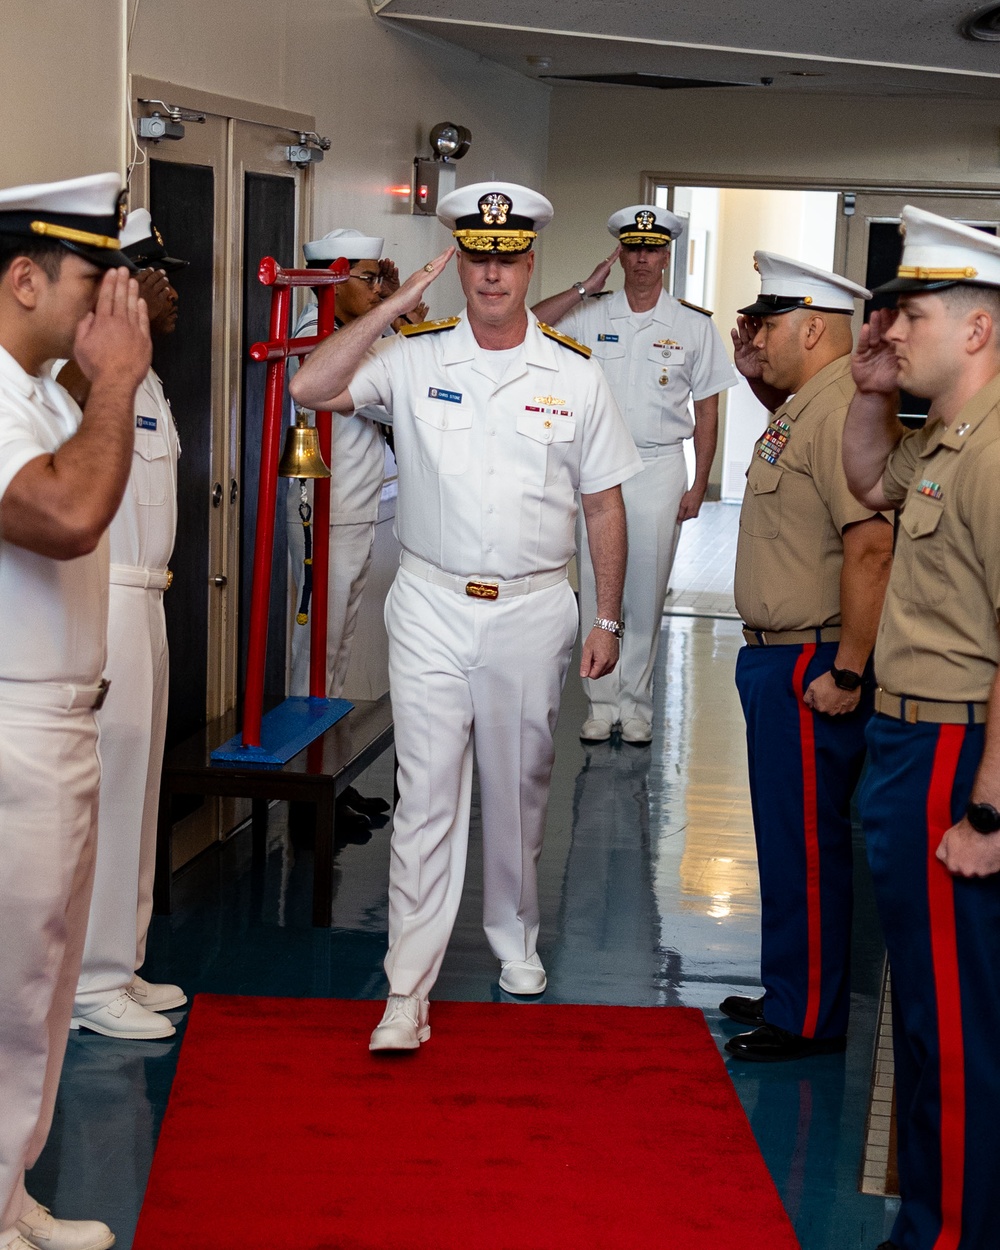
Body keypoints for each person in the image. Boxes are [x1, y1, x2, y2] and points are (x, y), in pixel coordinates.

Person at [291, 181, 641, 1051]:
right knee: (426, 792)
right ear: (462, 269)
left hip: (531, 607)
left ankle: (514, 939)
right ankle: (406, 992)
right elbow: (310, 384)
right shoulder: (415, 357)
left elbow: (603, 506)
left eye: (507, 259)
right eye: (477, 260)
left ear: (530, 264)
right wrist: (392, 308)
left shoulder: (572, 372)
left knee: (519, 787)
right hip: (431, 604)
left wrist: (608, 620)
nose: (492, 275)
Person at [841, 206, 1000, 1250]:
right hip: (908, 745)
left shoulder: (992, 452)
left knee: (954, 1021)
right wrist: (868, 389)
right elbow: (866, 481)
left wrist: (989, 806)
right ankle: (937, 1218)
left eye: (913, 313)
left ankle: (951, 1234)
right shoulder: (944, 434)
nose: (893, 330)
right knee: (926, 1009)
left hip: (958, 754)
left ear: (977, 328)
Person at [0, 174, 150, 1250]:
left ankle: (7, 1191)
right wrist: (119, 385)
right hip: (8, 723)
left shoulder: (47, 393)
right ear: (22, 278)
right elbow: (64, 516)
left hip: (57, 717)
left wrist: (97, 388)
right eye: (93, 283)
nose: (112, 313)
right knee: (10, 985)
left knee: (41, 986)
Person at [720, 252, 893, 1063]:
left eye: (770, 325)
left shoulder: (839, 410)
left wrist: (849, 669)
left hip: (811, 661)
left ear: (813, 327)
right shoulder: (807, 403)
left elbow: (871, 548)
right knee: (785, 840)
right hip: (779, 659)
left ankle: (810, 1016)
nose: (759, 336)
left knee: (809, 847)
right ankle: (792, 986)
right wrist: (754, 373)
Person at [53, 209, 188, 1041]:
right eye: (147, 271)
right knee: (107, 786)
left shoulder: (148, 378)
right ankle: (89, 981)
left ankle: (121, 961)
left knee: (138, 789)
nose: (167, 287)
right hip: (104, 593)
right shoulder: (76, 376)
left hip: (150, 597)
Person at [532, 204, 736, 744]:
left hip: (659, 463)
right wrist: (582, 287)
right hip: (596, 466)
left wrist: (698, 484)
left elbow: (709, 411)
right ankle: (600, 702)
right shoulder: (594, 313)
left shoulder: (693, 326)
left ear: (667, 255)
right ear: (619, 253)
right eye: (633, 248)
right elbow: (531, 322)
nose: (643, 258)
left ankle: (637, 703)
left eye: (653, 248)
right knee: (598, 587)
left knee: (645, 589)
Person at [285, 229, 425, 831]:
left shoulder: (363, 335)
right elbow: (400, 399)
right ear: (331, 280)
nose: (375, 289)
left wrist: (398, 310)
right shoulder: (312, 340)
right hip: (326, 509)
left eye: (377, 279)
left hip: (362, 505)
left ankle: (328, 781)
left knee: (338, 650)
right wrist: (394, 321)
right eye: (366, 279)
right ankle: (301, 792)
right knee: (315, 649)